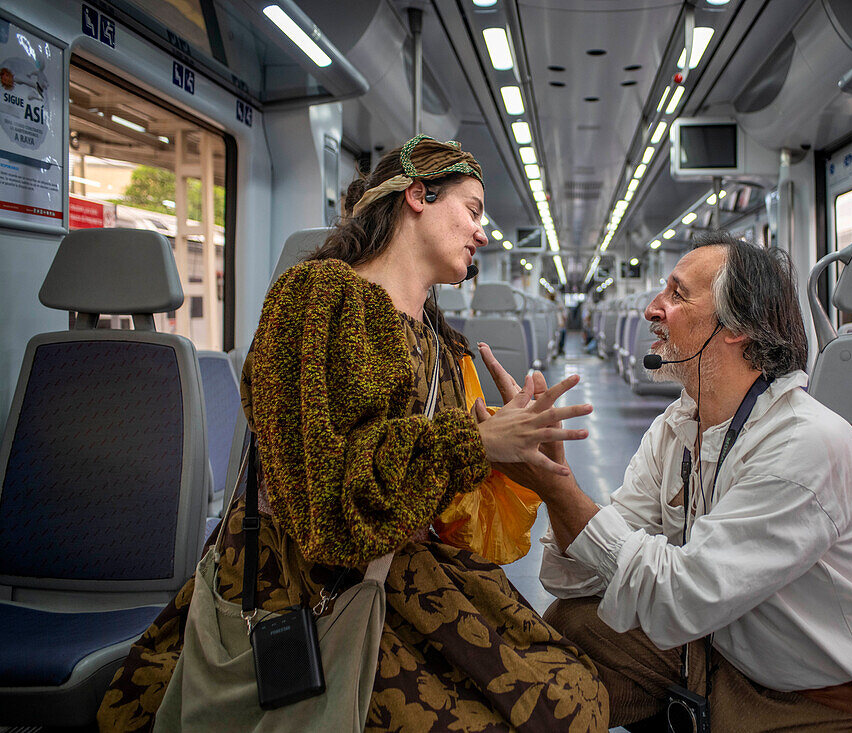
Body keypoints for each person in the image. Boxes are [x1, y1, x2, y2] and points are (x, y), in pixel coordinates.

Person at [98, 135, 608, 731]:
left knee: (577, 693)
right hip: (307, 582)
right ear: (418, 195)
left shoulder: (444, 346)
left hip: (399, 564)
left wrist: (517, 462)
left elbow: (453, 513)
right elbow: (324, 515)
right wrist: (473, 446)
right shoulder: (316, 301)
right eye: (472, 210)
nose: (483, 233)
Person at [494, 232, 852, 732]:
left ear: (736, 328)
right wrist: (555, 474)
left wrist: (555, 486)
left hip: (819, 698)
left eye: (677, 294)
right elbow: (576, 577)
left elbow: (679, 597)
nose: (652, 310)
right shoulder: (678, 426)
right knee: (573, 625)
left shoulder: (805, 444)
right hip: (726, 649)